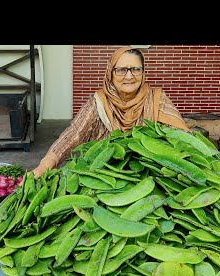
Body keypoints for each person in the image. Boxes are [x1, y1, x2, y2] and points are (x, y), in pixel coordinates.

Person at [32, 46, 190, 179]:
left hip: (150, 178)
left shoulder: (157, 100)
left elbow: (183, 138)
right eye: (121, 70)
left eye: (135, 69)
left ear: (143, 72)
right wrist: (45, 165)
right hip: (103, 177)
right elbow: (74, 134)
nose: (129, 76)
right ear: (111, 73)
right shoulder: (98, 102)